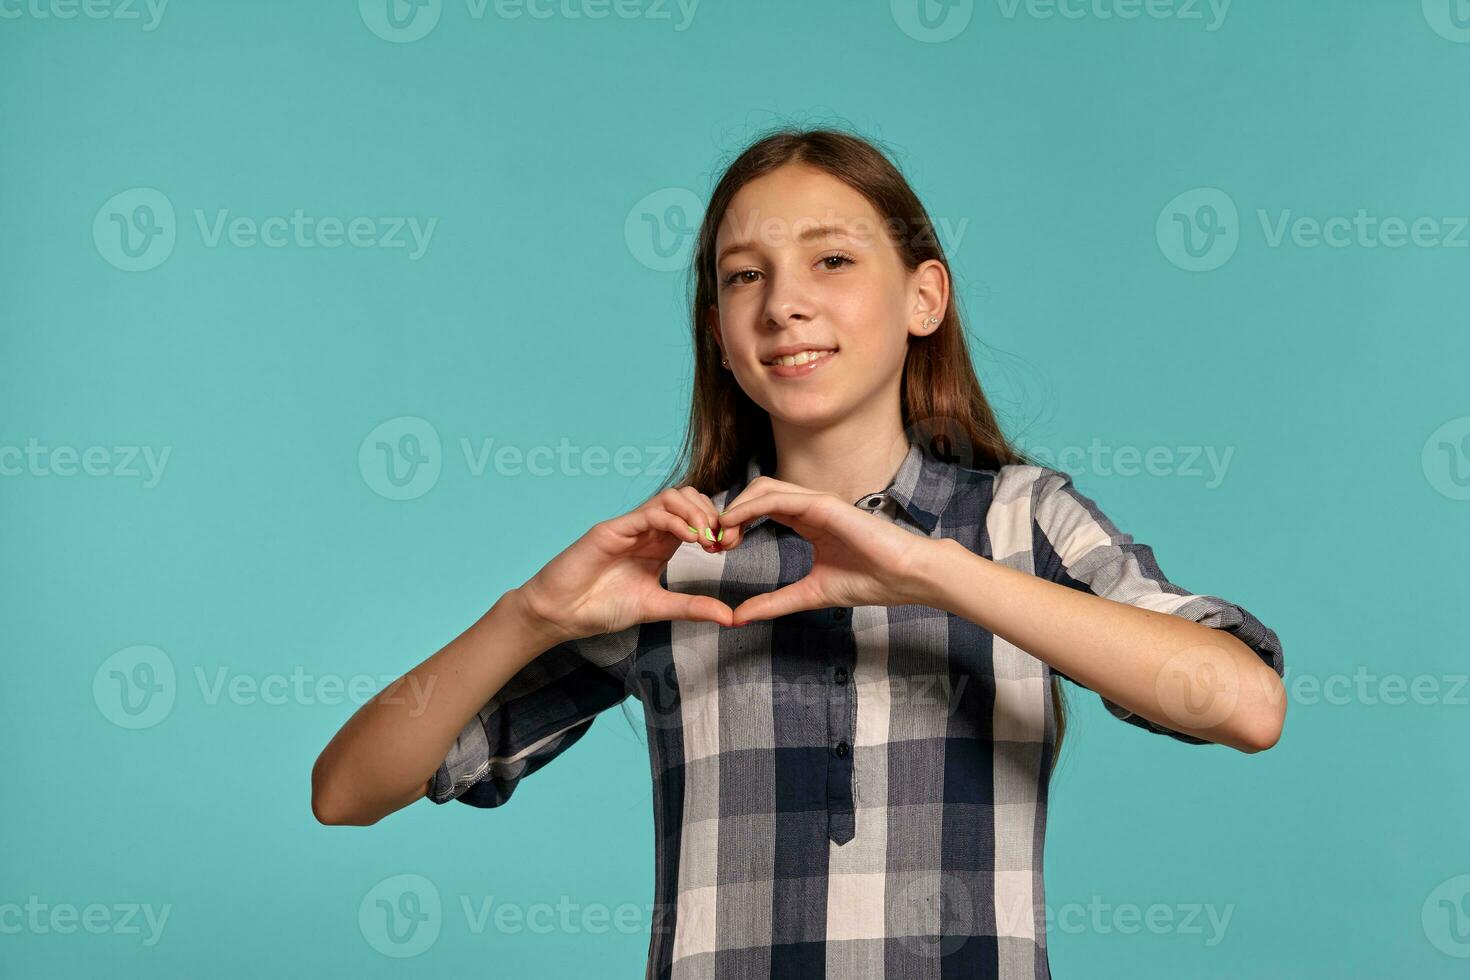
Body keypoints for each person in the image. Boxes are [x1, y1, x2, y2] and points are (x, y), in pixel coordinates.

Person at [311, 126, 1287, 979]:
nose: (784, 304)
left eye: (832, 261)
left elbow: (1243, 699)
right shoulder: (677, 558)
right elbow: (346, 790)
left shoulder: (1018, 522)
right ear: (720, 334)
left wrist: (930, 569)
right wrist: (528, 610)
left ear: (924, 296)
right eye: (745, 275)